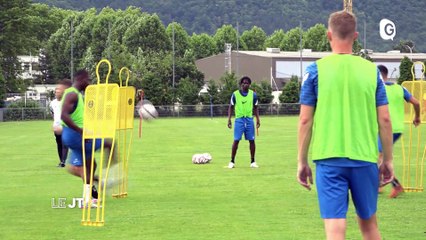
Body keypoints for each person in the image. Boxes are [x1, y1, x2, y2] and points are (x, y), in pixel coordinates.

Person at [297, 11, 394, 239]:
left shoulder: (314, 71)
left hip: (329, 159)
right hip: (365, 158)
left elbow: (304, 120)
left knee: (335, 230)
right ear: (356, 36)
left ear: (328, 35)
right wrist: (388, 159)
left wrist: (301, 161)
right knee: (369, 226)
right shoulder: (372, 72)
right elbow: (386, 120)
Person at [61, 69, 114, 207]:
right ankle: (110, 179)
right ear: (82, 79)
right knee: (109, 143)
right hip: (76, 135)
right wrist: (81, 131)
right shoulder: (72, 94)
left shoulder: (75, 94)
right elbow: (64, 116)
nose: (89, 83)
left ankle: (89, 196)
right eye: (88, 80)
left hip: (72, 135)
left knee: (89, 166)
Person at [377, 65, 421, 198]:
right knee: (379, 156)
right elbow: (416, 103)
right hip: (397, 128)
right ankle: (378, 183)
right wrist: (417, 116)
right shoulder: (400, 88)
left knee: (380, 158)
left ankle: (394, 185)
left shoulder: (378, 88)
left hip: (385, 128)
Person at [227, 76, 260, 169]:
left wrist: (258, 119)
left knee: (252, 140)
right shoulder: (235, 94)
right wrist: (229, 119)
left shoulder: (253, 95)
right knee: (236, 140)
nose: (245, 84)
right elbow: (231, 107)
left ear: (249, 85)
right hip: (239, 120)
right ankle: (232, 161)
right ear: (241, 84)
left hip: (249, 119)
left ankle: (253, 161)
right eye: (243, 83)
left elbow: (256, 107)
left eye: (247, 83)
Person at [49, 79, 72, 167]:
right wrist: (54, 123)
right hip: (56, 126)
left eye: (58, 91)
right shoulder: (53, 103)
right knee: (59, 143)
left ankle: (63, 161)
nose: (57, 93)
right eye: (56, 91)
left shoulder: (66, 101)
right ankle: (61, 160)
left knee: (64, 143)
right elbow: (53, 113)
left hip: (65, 126)